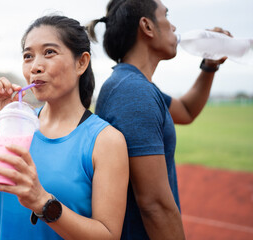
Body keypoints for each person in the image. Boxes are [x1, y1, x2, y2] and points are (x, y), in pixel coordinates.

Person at [0, 15, 129, 240]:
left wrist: (43, 203)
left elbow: (108, 235)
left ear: (81, 63)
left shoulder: (105, 140)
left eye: (49, 52)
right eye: (28, 56)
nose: (35, 66)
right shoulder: (16, 127)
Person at [87, 0, 231, 239]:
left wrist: (209, 65)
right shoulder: (132, 91)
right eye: (166, 15)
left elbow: (185, 110)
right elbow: (154, 205)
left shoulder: (132, 84)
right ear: (147, 26)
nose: (173, 27)